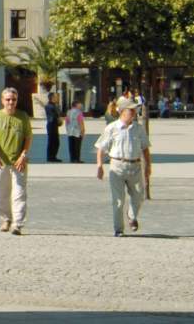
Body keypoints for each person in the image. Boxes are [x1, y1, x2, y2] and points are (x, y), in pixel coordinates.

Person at [96, 95, 153, 236]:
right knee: (118, 200)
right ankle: (118, 229)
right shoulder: (112, 128)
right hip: (117, 166)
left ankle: (132, 216)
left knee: (139, 195)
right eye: (131, 110)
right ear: (122, 111)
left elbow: (145, 148)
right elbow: (101, 148)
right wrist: (100, 166)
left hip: (135, 166)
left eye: (135, 110)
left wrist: (148, 167)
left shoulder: (138, 129)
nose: (134, 113)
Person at [0, 86, 33, 234]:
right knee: (1, 193)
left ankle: (17, 224)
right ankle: (6, 219)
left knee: (19, 193)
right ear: (2, 100)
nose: (11, 102)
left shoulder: (23, 117)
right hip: (1, 162)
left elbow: (28, 137)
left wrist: (23, 155)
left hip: (19, 162)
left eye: (13, 99)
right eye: (8, 99)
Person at [64, 98, 87, 163]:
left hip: (70, 131)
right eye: (80, 104)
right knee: (77, 146)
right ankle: (77, 159)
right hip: (77, 131)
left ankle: (72, 158)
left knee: (71, 145)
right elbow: (80, 122)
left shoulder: (68, 112)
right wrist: (83, 130)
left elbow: (67, 121)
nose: (81, 105)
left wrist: (67, 129)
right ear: (77, 105)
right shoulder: (79, 112)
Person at [44, 93, 62, 162]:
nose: (57, 98)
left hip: (54, 125)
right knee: (52, 141)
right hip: (51, 125)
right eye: (56, 97)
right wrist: (58, 119)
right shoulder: (49, 106)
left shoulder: (54, 105)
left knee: (56, 142)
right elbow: (53, 116)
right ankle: (50, 157)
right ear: (52, 98)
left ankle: (53, 156)